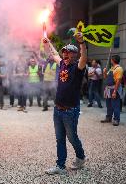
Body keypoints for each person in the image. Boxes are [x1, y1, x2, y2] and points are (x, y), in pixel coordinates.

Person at [43, 32, 87, 175]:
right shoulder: (62, 63)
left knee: (72, 137)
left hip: (70, 110)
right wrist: (47, 43)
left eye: (68, 53)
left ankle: (80, 157)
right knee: (59, 138)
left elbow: (84, 58)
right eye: (64, 53)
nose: (65, 55)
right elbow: (54, 53)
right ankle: (60, 166)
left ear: (74, 55)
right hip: (58, 109)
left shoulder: (78, 68)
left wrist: (82, 43)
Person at [101, 55, 123, 126]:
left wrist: (114, 92)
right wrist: (104, 72)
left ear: (113, 60)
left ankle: (116, 119)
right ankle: (109, 117)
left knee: (115, 105)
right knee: (109, 105)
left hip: (114, 89)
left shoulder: (119, 69)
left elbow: (118, 81)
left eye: (111, 59)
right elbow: (105, 77)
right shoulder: (112, 68)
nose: (110, 60)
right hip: (108, 89)